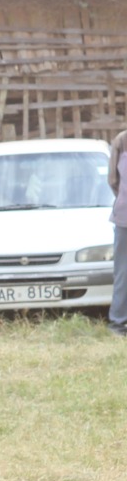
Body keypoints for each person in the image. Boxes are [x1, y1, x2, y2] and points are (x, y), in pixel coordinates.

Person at [110, 127, 127, 335]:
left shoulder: (122, 139)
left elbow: (113, 181)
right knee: (123, 271)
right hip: (124, 219)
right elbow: (113, 181)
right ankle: (118, 321)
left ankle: (118, 323)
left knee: (123, 270)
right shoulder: (122, 140)